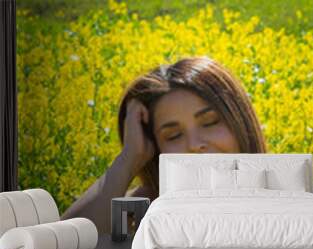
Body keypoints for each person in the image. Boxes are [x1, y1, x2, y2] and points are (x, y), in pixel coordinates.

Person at [61, 56, 266, 233]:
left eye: (210, 122)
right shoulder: (145, 211)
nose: (194, 145)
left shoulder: (287, 198)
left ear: (239, 120)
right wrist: (128, 159)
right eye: (174, 135)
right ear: (157, 149)